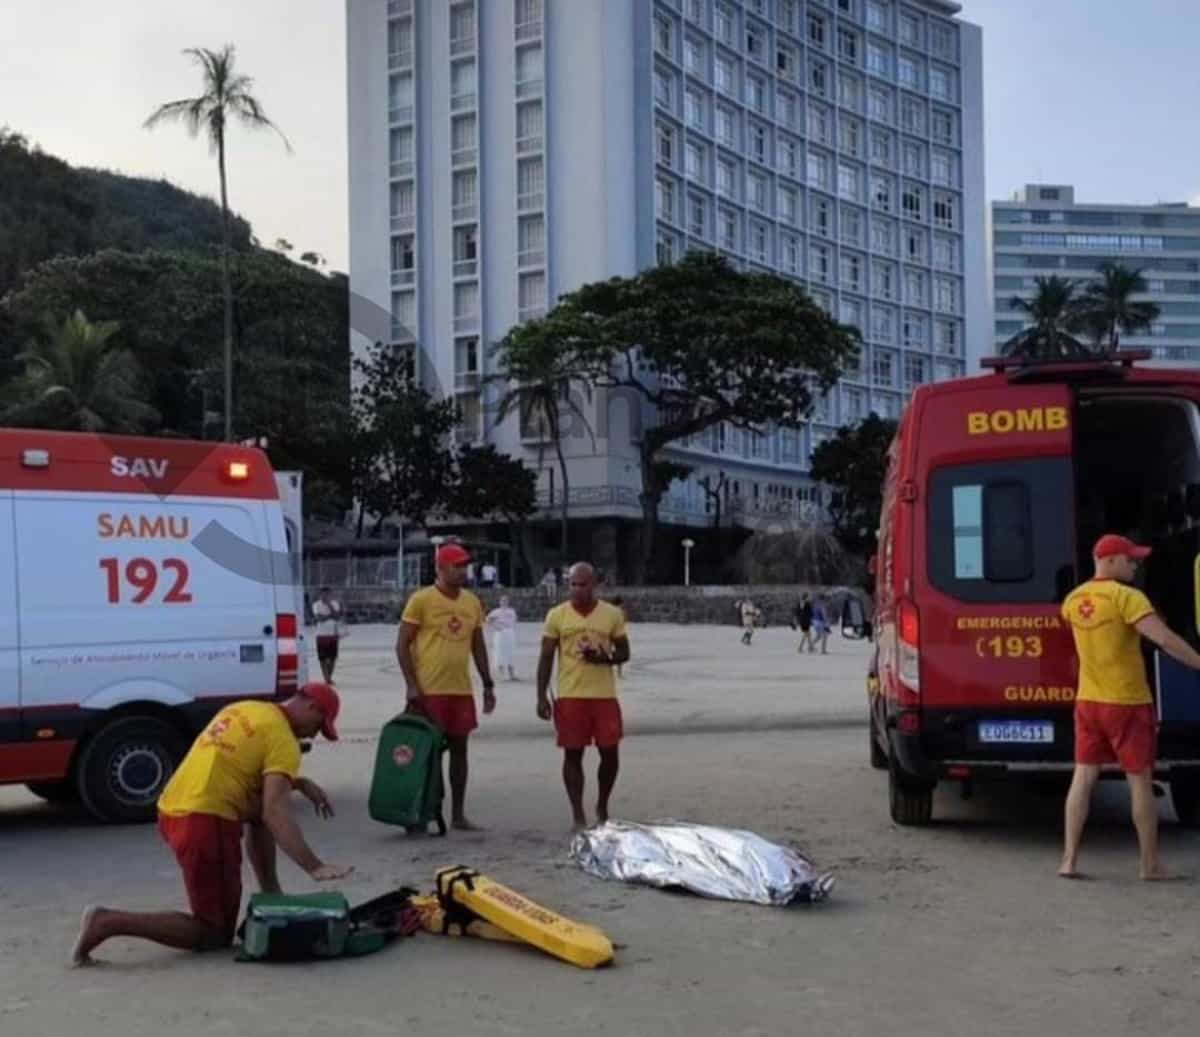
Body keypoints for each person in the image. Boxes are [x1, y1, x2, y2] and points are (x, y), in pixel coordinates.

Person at [71, 683, 350, 965]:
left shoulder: (247, 709)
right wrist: (314, 865)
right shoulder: (284, 741)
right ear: (312, 707)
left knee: (256, 807)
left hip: (174, 807)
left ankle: (271, 893)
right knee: (213, 933)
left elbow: (247, 779)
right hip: (205, 820)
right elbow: (274, 811)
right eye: (319, 725)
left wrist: (298, 783)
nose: (315, 734)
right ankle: (106, 922)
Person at [1059, 533, 1200, 880]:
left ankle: (1069, 860)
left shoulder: (1074, 600)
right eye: (1129, 559)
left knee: (1083, 776)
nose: (1135, 565)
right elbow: (1164, 639)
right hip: (1127, 702)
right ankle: (1149, 864)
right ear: (1108, 561)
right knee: (1140, 781)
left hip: (1088, 701)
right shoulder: (1127, 598)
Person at [396, 543, 495, 831]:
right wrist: (411, 686)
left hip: (460, 690)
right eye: (457, 566)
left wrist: (487, 683)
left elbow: (478, 645)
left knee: (460, 750)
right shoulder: (421, 600)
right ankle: (421, 812)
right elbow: (402, 644)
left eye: (465, 565)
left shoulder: (472, 602)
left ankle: (458, 814)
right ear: (440, 568)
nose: (463, 571)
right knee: (427, 753)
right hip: (429, 690)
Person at [537, 562, 631, 830]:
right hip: (570, 695)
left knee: (610, 753)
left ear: (595, 584)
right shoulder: (557, 615)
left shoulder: (612, 615)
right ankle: (577, 813)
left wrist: (606, 659)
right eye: (573, 584)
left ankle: (602, 805)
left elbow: (625, 652)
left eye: (582, 584)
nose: (577, 589)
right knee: (572, 754)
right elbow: (545, 658)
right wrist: (541, 696)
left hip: (603, 696)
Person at [311, 587, 344, 683]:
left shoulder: (334, 604)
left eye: (327, 594)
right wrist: (331, 615)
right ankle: (327, 678)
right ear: (320, 595)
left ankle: (328, 676)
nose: (324, 596)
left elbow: (337, 617)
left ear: (330, 594)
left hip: (333, 633)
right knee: (322, 658)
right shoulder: (316, 605)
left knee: (332, 658)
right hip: (321, 634)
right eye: (323, 594)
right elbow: (319, 618)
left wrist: (330, 606)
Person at [486, 595, 519, 681]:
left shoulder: (512, 611)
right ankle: (502, 675)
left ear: (508, 602)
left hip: (509, 633)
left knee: (510, 653)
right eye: (502, 601)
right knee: (499, 653)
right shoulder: (496, 612)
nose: (504, 602)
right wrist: (495, 626)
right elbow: (488, 620)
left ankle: (511, 674)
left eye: (506, 601)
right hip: (500, 633)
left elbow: (514, 621)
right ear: (500, 602)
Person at [607, 596, 628, 679]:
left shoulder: (609, 610)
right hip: (618, 634)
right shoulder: (621, 611)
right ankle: (619, 672)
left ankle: (607, 669)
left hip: (609, 632)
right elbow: (624, 621)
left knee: (607, 651)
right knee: (619, 652)